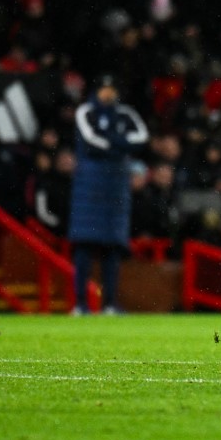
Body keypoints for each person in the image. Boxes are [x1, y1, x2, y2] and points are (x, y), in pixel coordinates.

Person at [68, 76, 149, 314]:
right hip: (90, 187)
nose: (108, 93)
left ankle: (109, 304)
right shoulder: (85, 111)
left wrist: (112, 143)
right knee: (83, 247)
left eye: (111, 88)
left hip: (116, 187)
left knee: (112, 248)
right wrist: (120, 144)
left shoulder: (126, 114)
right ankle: (81, 303)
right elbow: (91, 141)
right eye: (104, 88)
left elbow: (141, 139)